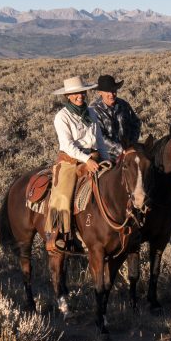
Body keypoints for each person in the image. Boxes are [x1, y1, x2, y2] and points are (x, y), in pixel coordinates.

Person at [47, 75, 108, 253]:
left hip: (94, 157)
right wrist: (86, 159)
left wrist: (107, 159)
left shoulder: (91, 113)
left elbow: (99, 140)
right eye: (74, 93)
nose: (79, 96)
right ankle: (58, 234)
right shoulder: (62, 116)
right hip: (71, 161)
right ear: (68, 96)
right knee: (63, 193)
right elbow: (67, 145)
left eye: (81, 92)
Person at [90, 74, 148, 213]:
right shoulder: (93, 110)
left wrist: (132, 144)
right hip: (106, 156)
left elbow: (136, 122)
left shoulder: (123, 105)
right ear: (100, 92)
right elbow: (99, 136)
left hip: (128, 152)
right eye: (108, 91)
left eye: (114, 90)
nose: (112, 94)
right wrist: (120, 149)